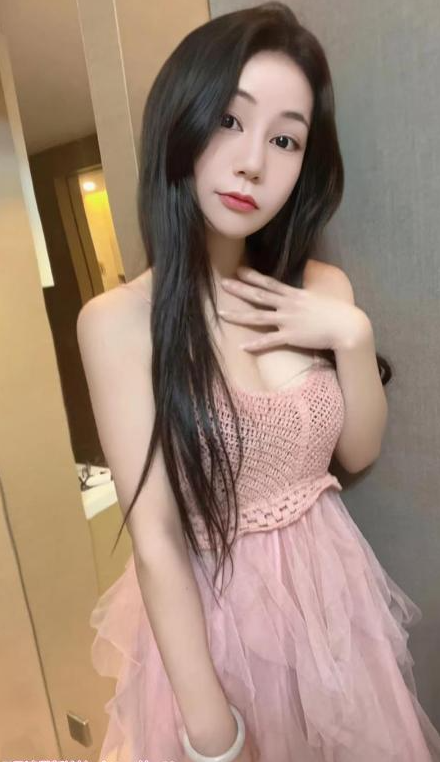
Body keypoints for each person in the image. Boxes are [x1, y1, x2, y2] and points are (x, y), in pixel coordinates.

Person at [76, 3, 440, 761]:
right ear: (181, 121)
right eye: (229, 121)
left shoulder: (322, 290)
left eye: (284, 140)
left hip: (335, 609)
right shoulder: (118, 322)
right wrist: (212, 732)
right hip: (215, 629)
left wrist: (352, 334)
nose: (253, 164)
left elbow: (359, 452)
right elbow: (156, 536)